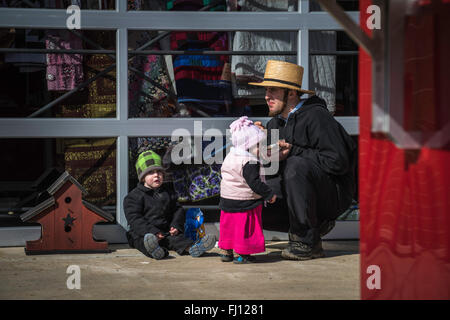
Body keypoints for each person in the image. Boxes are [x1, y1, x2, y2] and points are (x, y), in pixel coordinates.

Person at [249, 60, 356, 260]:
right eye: (265, 91)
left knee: (295, 165)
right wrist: (258, 143)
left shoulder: (317, 116)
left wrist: (294, 151)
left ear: (291, 93)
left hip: (333, 193)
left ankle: (307, 242)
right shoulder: (274, 122)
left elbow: (338, 161)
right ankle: (305, 228)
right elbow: (272, 167)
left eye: (272, 90)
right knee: (249, 186)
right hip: (299, 193)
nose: (266, 96)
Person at [124, 150, 216, 260]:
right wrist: (153, 232)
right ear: (143, 177)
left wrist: (176, 225)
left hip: (165, 232)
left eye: (159, 172)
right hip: (144, 233)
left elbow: (177, 210)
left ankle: (194, 247)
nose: (156, 175)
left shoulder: (167, 192)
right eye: (151, 172)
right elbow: (135, 219)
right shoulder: (133, 197)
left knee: (178, 240)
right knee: (140, 241)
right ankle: (155, 250)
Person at [218, 116, 277, 264]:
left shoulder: (231, 155)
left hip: (227, 198)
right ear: (247, 145)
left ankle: (226, 251)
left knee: (229, 225)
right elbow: (254, 183)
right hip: (244, 200)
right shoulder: (250, 162)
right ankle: (242, 253)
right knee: (244, 227)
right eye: (258, 145)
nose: (261, 148)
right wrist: (268, 193)